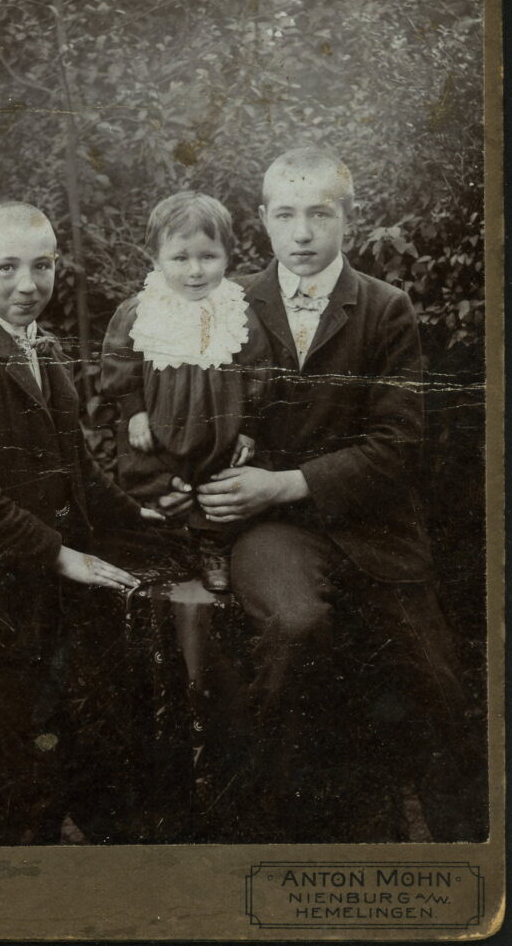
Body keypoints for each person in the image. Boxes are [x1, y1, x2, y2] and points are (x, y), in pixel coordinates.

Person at [161, 148, 479, 840]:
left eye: (319, 214)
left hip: (376, 528)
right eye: (286, 215)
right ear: (264, 222)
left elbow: (401, 444)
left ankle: (475, 869)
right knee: (298, 628)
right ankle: (279, 833)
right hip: (271, 529)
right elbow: (190, 417)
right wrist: (203, 473)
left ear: (349, 220)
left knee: (442, 688)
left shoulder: (385, 308)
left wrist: (289, 480)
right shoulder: (228, 302)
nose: (302, 232)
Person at [0, 201, 157, 847]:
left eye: (41, 266)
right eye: (6, 266)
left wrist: (144, 519)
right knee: (22, 783)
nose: (27, 284)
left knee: (75, 758)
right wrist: (59, 554)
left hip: (39, 601)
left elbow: (75, 468)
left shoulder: (45, 346)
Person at [101, 191, 270, 592]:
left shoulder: (236, 311)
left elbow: (259, 370)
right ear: (156, 259)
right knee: (152, 471)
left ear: (228, 256)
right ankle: (166, 536)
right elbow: (119, 363)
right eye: (180, 258)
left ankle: (213, 545)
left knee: (218, 483)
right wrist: (135, 409)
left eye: (208, 257)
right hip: (158, 423)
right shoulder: (140, 311)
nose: (195, 271)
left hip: (219, 426)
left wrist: (249, 428)